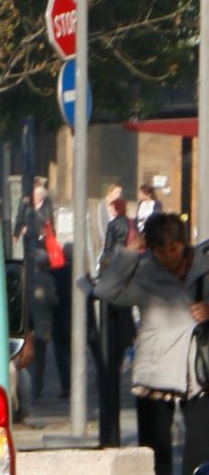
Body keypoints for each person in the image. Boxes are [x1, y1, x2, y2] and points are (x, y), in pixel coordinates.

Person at [93, 211, 209, 475]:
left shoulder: (204, 265)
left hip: (199, 372)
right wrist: (128, 252)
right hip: (155, 372)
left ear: (184, 244)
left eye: (174, 249)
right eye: (161, 251)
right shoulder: (144, 271)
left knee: (200, 449)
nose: (169, 256)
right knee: (155, 451)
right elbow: (107, 290)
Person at [17, 181, 72, 401]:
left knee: (40, 355)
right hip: (55, 321)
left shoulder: (33, 279)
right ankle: (64, 385)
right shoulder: (58, 276)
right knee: (59, 353)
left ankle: (38, 388)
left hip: (42, 324)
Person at [96, 186, 136, 447]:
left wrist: (103, 264)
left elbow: (109, 249)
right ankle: (129, 342)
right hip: (127, 271)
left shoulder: (114, 225)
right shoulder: (129, 223)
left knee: (114, 315)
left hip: (114, 271)